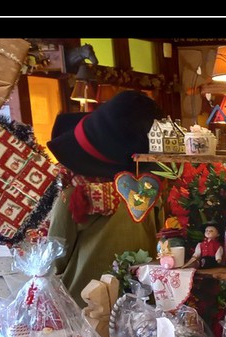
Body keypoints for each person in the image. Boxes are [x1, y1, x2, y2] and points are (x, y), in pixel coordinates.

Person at [46, 91, 163, 306]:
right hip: (143, 297)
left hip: (85, 302)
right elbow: (160, 237)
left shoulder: (74, 195)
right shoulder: (150, 189)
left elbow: (55, 258)